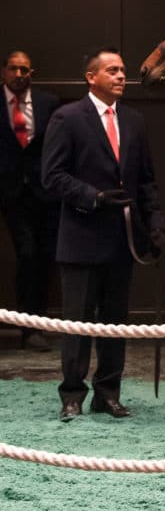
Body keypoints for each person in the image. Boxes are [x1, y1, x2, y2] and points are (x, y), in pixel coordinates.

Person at [42, 48, 165, 421]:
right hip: (80, 239)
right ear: (91, 77)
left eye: (123, 70)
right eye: (112, 70)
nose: (121, 76)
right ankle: (72, 395)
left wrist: (157, 223)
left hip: (121, 241)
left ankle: (108, 393)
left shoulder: (134, 121)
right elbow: (52, 176)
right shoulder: (67, 118)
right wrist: (92, 197)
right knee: (77, 323)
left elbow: (146, 181)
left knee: (114, 324)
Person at [0, 50, 61, 351]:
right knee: (26, 255)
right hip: (8, 193)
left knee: (43, 259)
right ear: (3, 72)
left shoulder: (48, 103)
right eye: (14, 68)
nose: (19, 74)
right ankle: (26, 327)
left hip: (43, 193)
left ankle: (35, 326)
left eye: (25, 69)